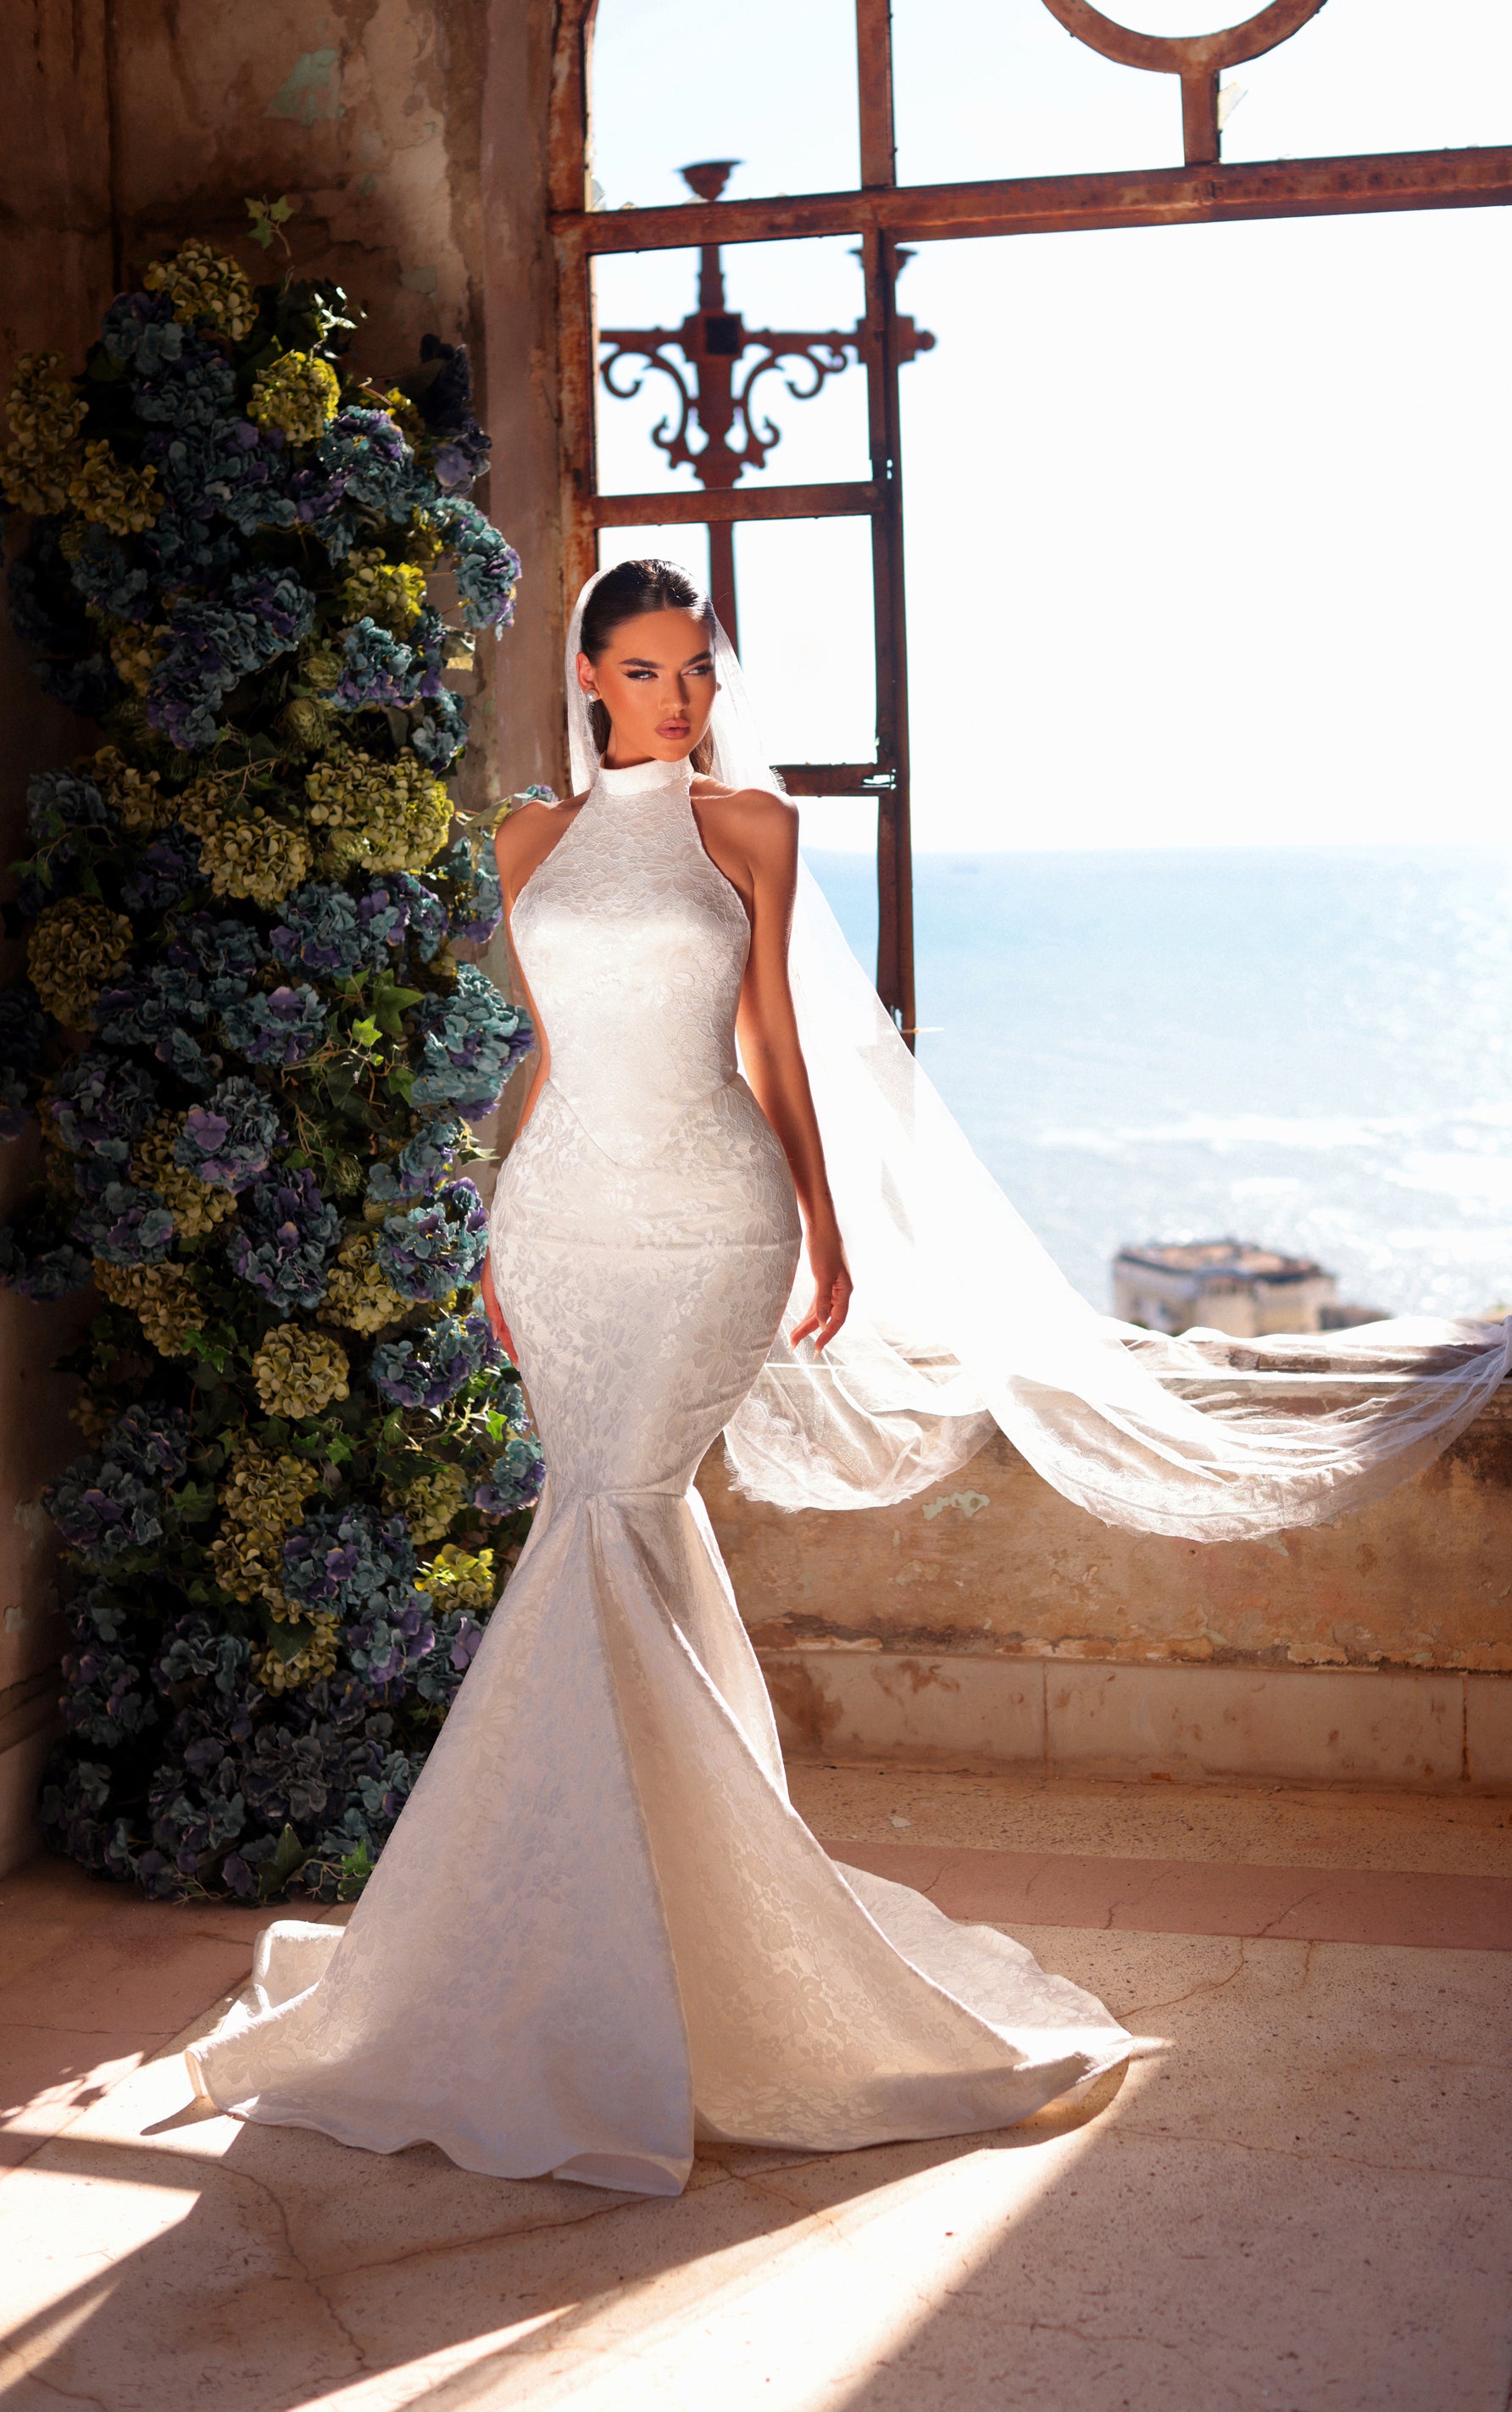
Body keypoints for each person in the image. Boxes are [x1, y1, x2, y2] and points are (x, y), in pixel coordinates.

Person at [183, 560, 1134, 2192]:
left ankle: (589, 1936)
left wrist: (827, 1226)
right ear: (589, 676)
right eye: (644, 670)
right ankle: (632, 1922)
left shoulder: (748, 831)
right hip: (559, 1226)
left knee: (610, 1519)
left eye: (696, 668)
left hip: (711, 1221)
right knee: (606, 1530)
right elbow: (550, 1049)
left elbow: (768, 1037)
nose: (677, 698)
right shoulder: (529, 841)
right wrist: (496, 1219)